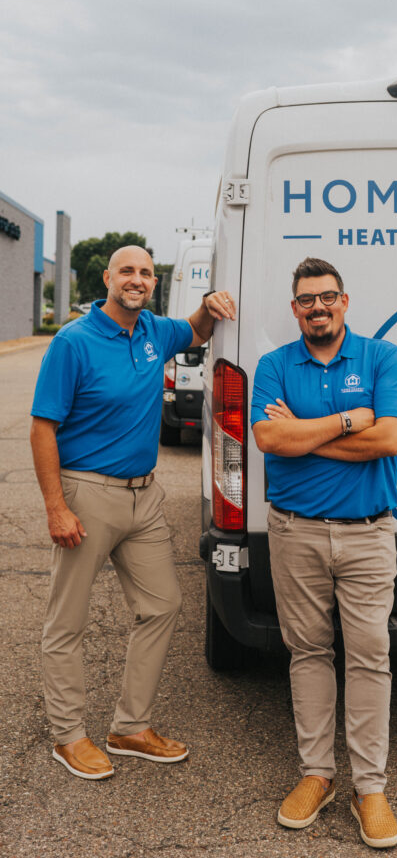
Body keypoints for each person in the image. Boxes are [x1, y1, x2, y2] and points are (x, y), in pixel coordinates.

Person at [30, 245, 235, 780]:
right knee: (66, 621)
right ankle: (69, 736)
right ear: (107, 278)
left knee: (164, 605)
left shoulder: (153, 331)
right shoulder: (73, 342)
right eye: (128, 270)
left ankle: (129, 727)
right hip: (87, 494)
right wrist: (56, 507)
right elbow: (42, 428)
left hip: (145, 497)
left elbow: (194, 330)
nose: (137, 279)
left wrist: (210, 307)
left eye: (146, 272)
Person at [251, 257, 397, 849]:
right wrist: (347, 422)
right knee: (309, 653)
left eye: (327, 297)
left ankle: (369, 788)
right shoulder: (273, 365)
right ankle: (316, 775)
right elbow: (269, 439)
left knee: (370, 657)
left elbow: (389, 438)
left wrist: (307, 434)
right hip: (295, 533)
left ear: (344, 301)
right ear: (294, 309)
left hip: (368, 534)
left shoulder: (381, 357)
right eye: (306, 300)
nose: (317, 308)